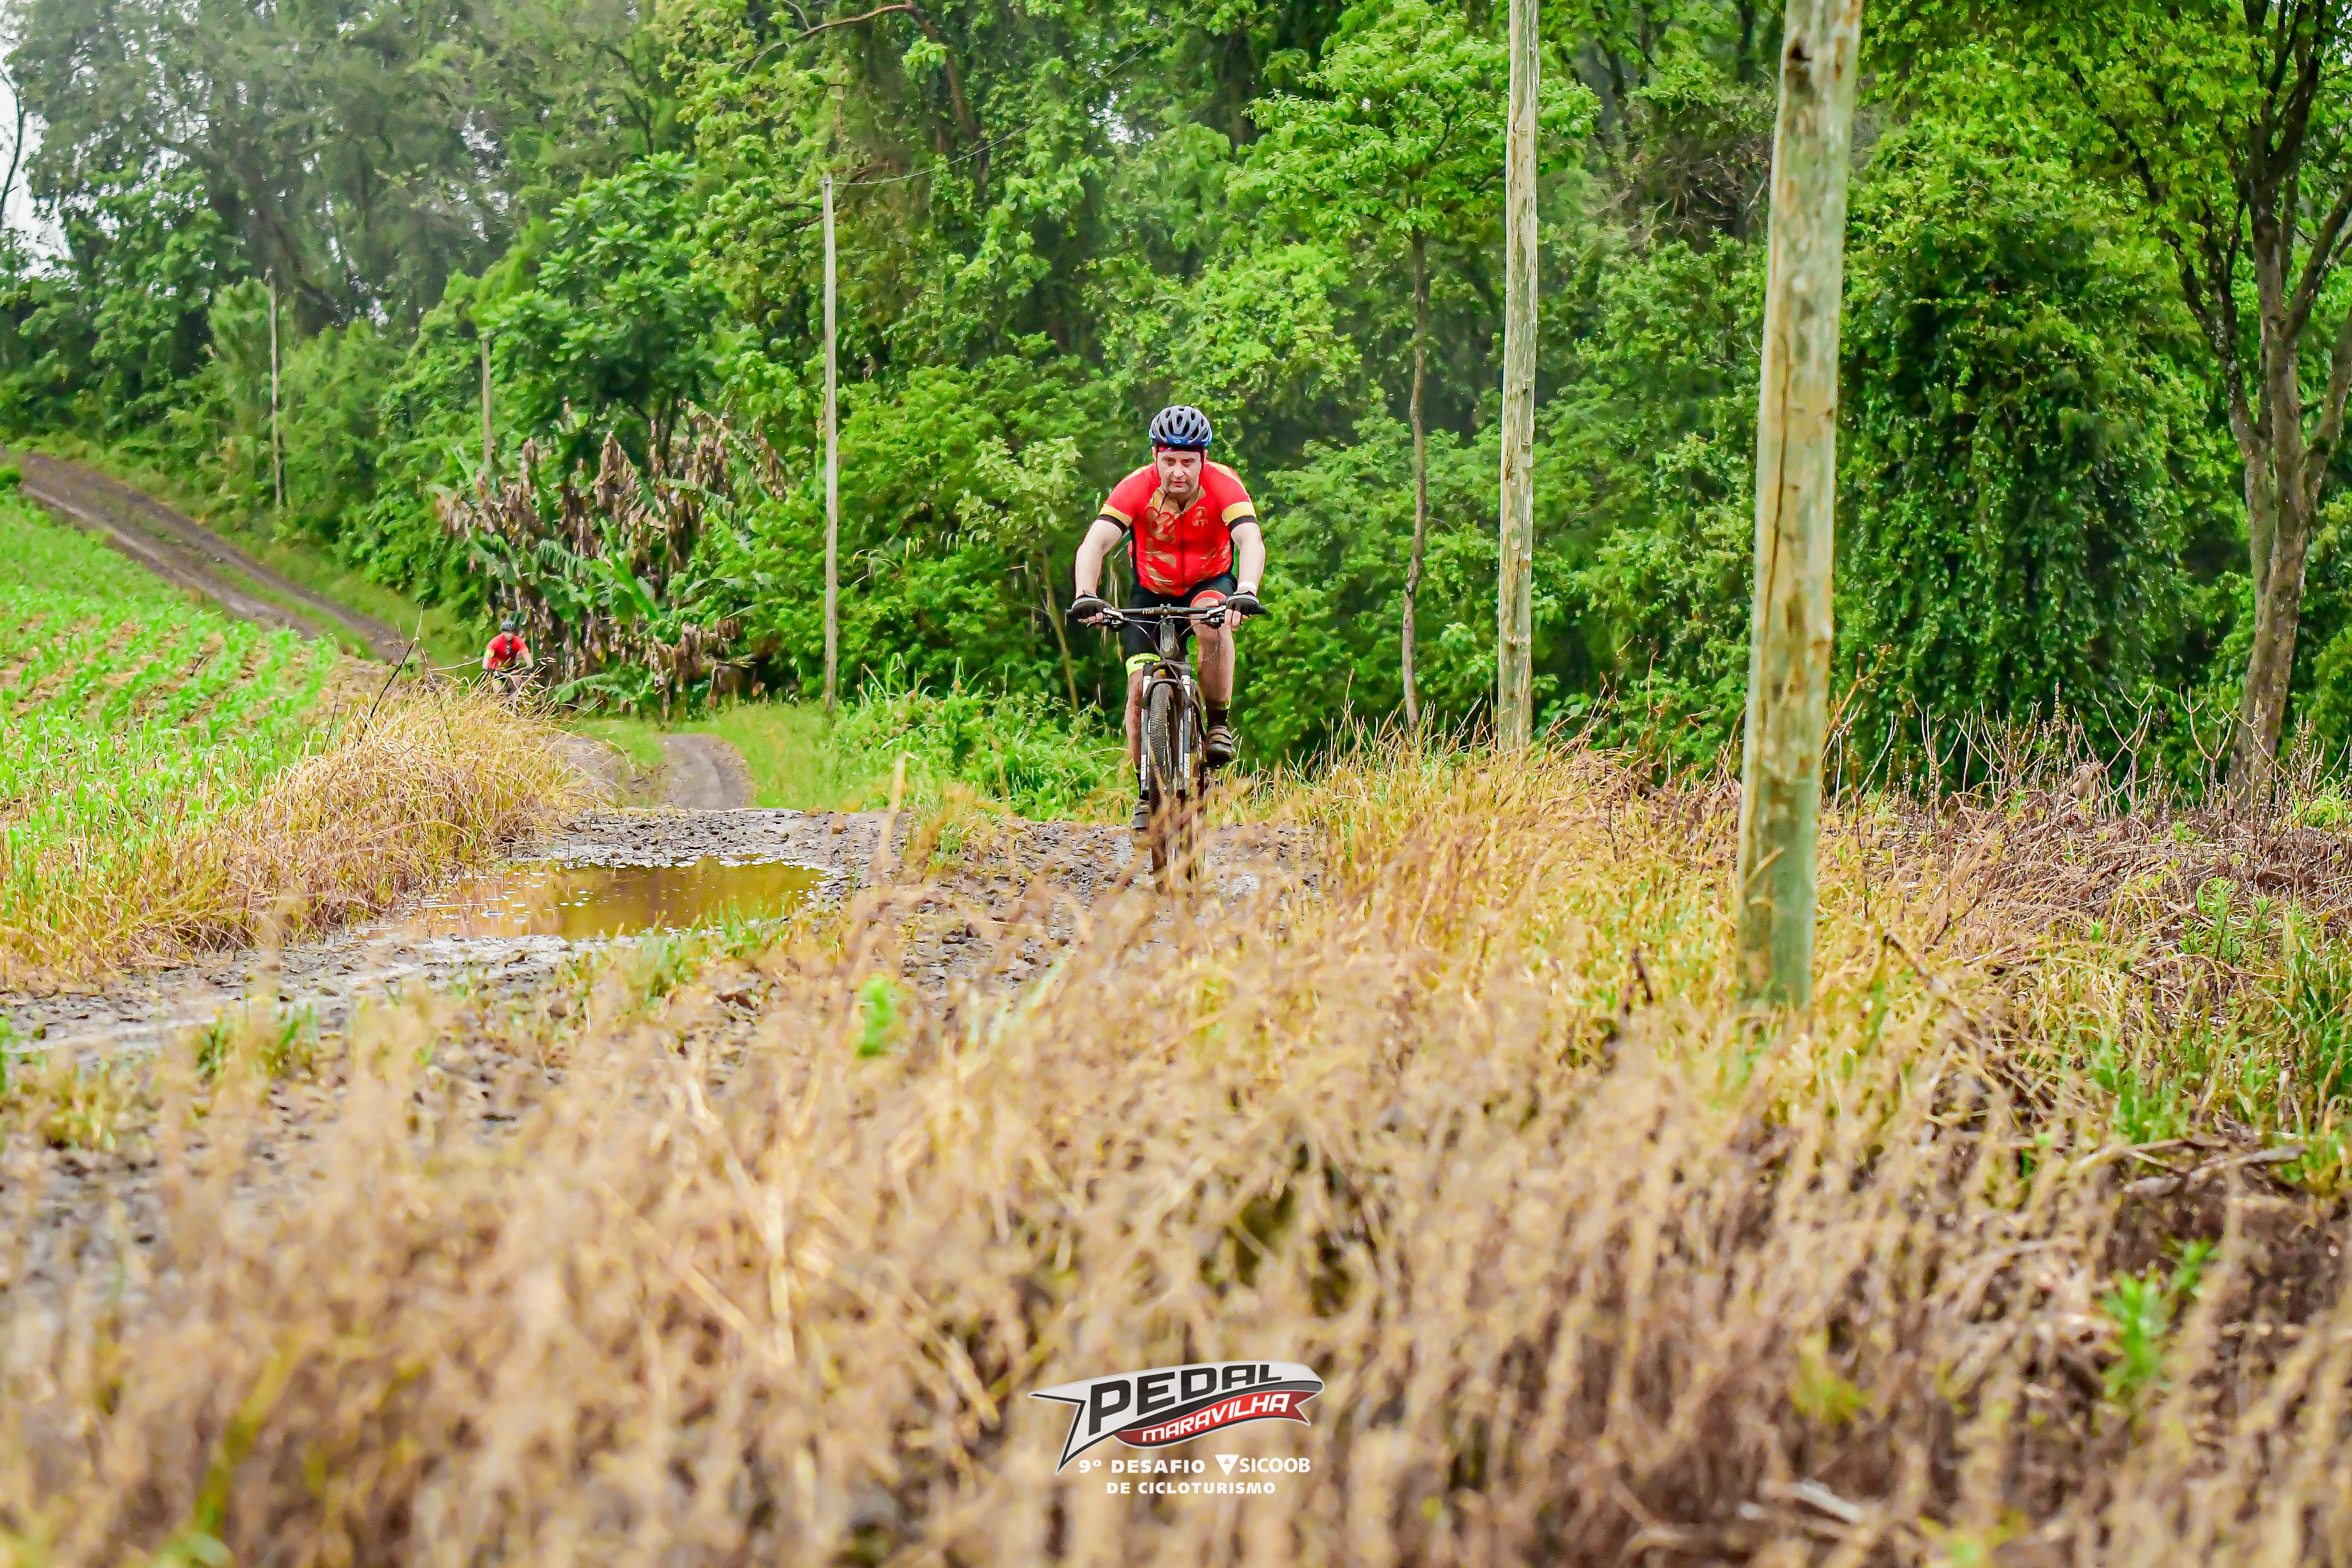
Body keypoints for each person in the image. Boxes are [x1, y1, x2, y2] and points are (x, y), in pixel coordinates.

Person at [1067, 405, 1264, 833]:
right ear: (1156, 456)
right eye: (1169, 460)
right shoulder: (1135, 488)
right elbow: (1095, 542)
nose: (1178, 472)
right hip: (1151, 592)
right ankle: (1146, 790)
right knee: (1139, 688)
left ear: (1203, 460)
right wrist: (1086, 594)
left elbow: (1250, 539)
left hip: (1209, 583)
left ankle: (1217, 724)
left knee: (1211, 624)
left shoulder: (1223, 484)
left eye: (1188, 462)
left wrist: (1247, 589)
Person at [483, 615, 534, 695]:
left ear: (514, 633)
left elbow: (525, 653)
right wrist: (486, 669)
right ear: (503, 632)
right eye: (506, 633)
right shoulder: (495, 642)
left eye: (510, 633)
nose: (508, 635)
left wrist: (531, 667)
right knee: (498, 692)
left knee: (517, 683)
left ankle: (514, 695)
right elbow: (488, 656)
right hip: (496, 670)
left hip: (511, 667)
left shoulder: (518, 641)